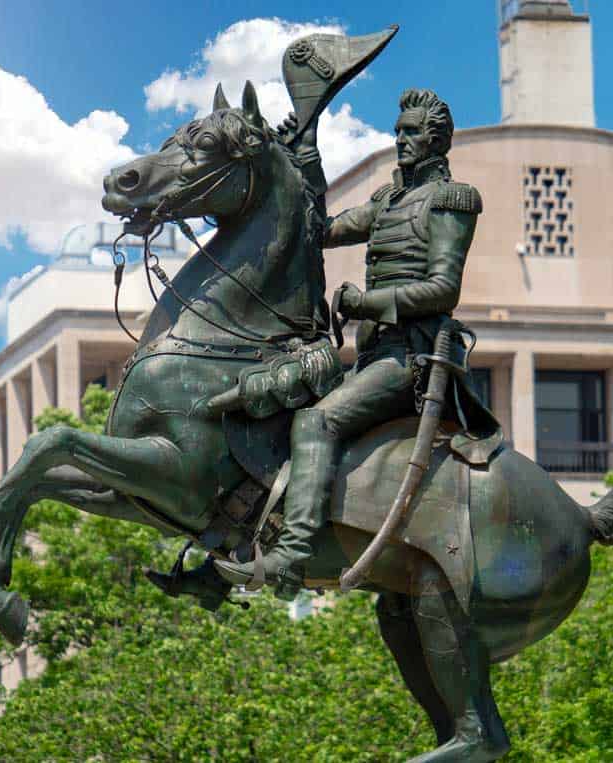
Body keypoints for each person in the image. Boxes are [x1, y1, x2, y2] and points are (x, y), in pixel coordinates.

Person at [215, 88, 501, 591]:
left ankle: (293, 554)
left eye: (411, 132)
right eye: (398, 132)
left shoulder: (452, 200)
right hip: (374, 355)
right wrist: (306, 155)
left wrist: (365, 302)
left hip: (414, 358)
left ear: (437, 141)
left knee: (317, 420)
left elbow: (443, 288)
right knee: (278, 405)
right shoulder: (387, 200)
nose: (401, 140)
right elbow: (318, 229)